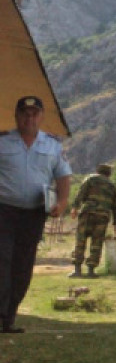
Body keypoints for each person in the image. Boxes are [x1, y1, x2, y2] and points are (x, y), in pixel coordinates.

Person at [0, 95, 71, 334]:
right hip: (3, 210)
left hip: (33, 214)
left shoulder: (52, 145)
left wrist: (62, 202)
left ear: (41, 117)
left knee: (22, 265)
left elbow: (63, 176)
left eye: (34, 114)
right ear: (16, 116)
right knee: (2, 260)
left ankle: (8, 318)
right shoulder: (3, 141)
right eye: (24, 113)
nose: (29, 118)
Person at [70, 163, 116, 278]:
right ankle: (91, 271)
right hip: (103, 216)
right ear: (109, 174)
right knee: (97, 243)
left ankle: (77, 270)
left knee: (80, 240)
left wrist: (75, 208)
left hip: (87, 213)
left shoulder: (91, 179)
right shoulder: (112, 186)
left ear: (98, 171)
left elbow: (81, 194)